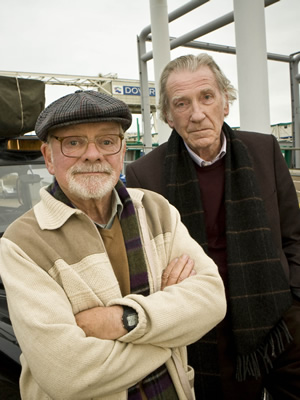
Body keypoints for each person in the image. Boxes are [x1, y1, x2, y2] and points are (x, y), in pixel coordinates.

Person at [0, 90, 226, 400]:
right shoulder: (22, 242)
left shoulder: (156, 210)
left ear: (121, 152)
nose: (93, 154)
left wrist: (122, 320)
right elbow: (67, 374)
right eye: (74, 142)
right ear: (49, 157)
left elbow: (212, 299)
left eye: (107, 141)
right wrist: (171, 331)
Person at [126, 53, 300, 400]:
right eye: (181, 103)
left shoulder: (263, 149)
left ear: (225, 103)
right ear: (168, 117)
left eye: (207, 97)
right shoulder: (144, 174)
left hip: (281, 317)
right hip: (205, 329)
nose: (197, 113)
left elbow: (294, 236)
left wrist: (294, 297)